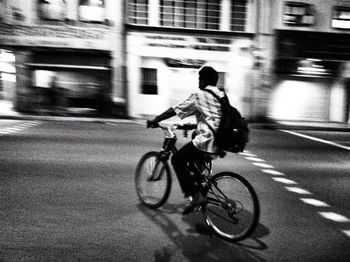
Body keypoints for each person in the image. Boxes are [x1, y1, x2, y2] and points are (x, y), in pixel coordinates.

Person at [147, 66, 224, 214]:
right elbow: (214, 119)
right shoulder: (221, 95)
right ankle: (200, 183)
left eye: (199, 79)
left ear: (204, 80)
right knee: (195, 138)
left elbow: (174, 110)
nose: (198, 83)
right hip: (221, 142)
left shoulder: (200, 95)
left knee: (177, 159)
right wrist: (193, 125)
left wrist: (155, 120)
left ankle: (196, 197)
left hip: (207, 141)